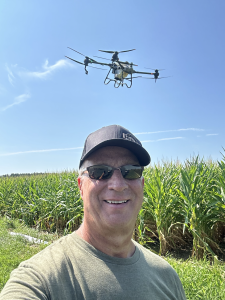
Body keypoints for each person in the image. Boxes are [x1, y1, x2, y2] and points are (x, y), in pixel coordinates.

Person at [0, 125, 186, 300]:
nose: (118, 185)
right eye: (100, 171)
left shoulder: (167, 277)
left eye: (130, 171)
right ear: (81, 187)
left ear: (142, 185)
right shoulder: (41, 278)